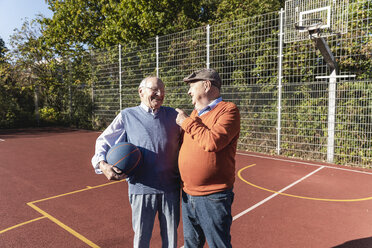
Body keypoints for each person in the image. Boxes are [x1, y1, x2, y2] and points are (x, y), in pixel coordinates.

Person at [91, 76, 181, 248]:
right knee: (141, 239)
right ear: (141, 91)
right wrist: (102, 165)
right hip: (141, 188)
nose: (160, 94)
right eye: (155, 89)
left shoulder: (175, 115)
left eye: (162, 90)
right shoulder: (127, 115)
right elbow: (103, 141)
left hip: (170, 189)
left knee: (171, 240)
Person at [175, 68, 240, 248]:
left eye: (192, 86)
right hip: (188, 194)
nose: (189, 92)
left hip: (213, 196)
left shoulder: (228, 110)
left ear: (206, 85)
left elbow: (212, 142)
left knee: (218, 245)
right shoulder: (195, 114)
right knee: (191, 244)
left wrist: (185, 122)